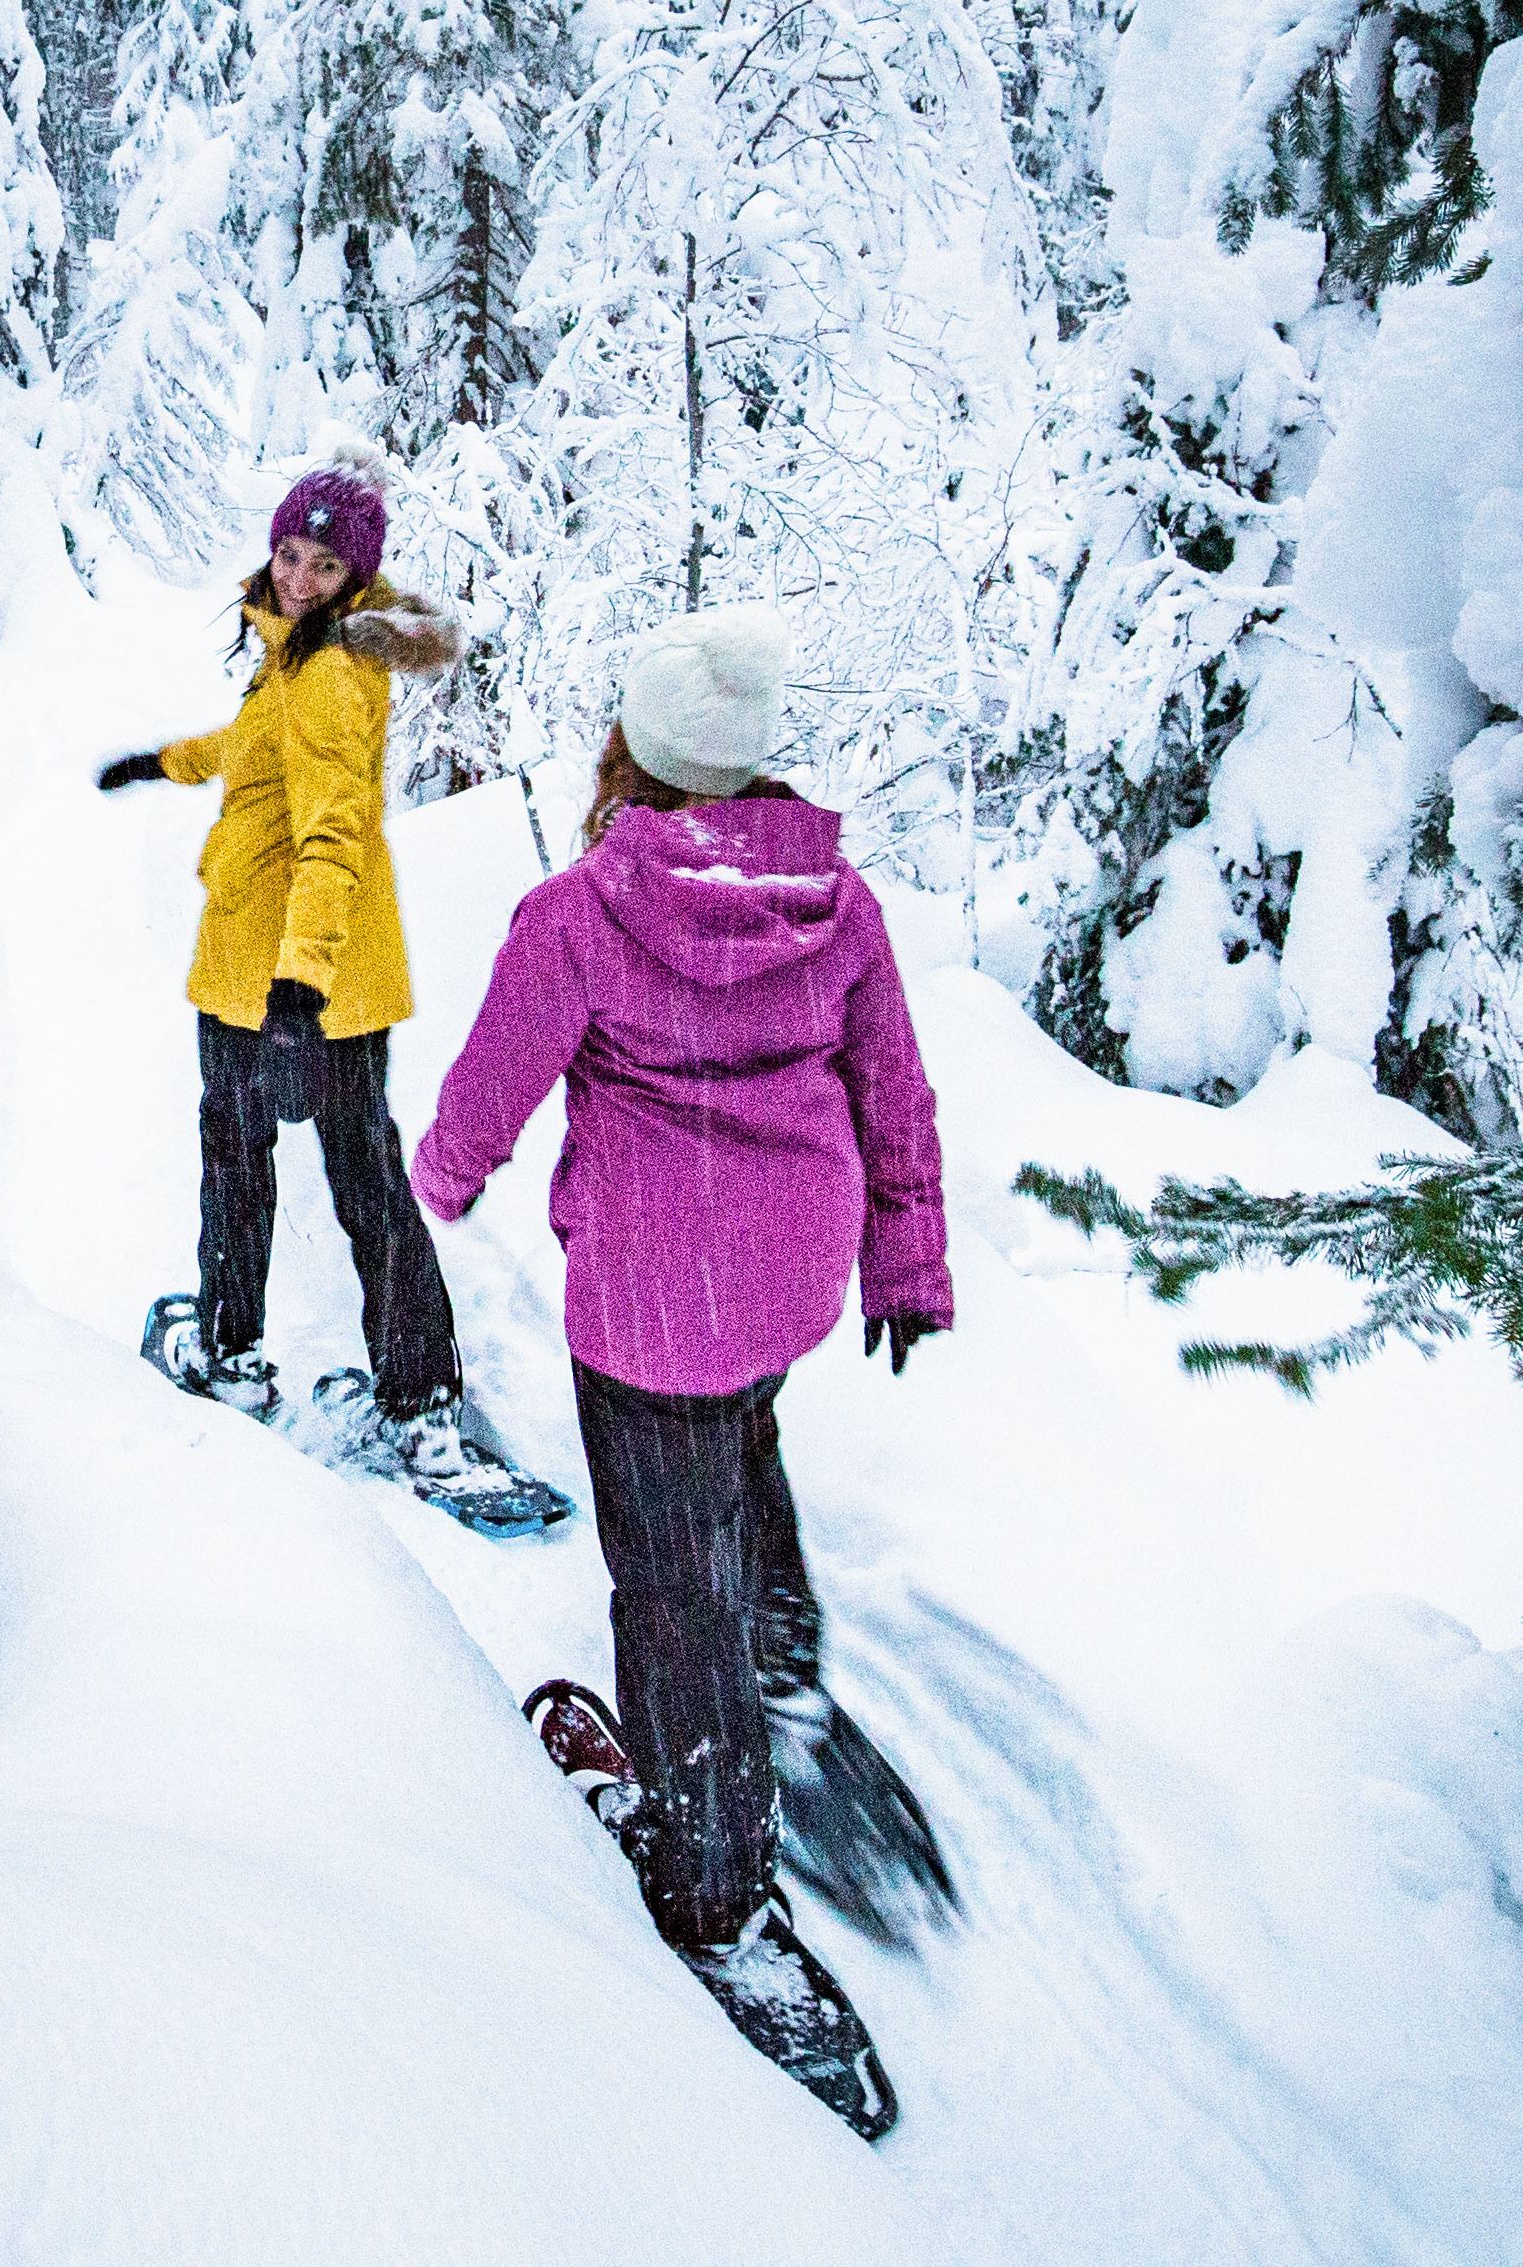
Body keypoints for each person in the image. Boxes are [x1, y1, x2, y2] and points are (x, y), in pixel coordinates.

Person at [410, 601, 950, 2137]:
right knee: (747, 1432)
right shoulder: (835, 903)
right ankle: (781, 1656)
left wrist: (437, 1182)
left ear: (633, 752)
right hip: (787, 1269)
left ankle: (714, 1877)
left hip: (654, 1293)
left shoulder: (581, 911)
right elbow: (895, 1092)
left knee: (665, 1577)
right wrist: (905, 1259)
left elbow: (489, 1086)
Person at [100, 454, 541, 1514]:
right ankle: (362, 1376)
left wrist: (297, 985)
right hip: (273, 967)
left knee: (310, 1176)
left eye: (323, 563)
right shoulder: (296, 657)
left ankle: (346, 1380)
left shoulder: (334, 673)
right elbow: (256, 752)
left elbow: (334, 832)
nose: (297, 575)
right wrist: (167, 762)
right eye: (290, 551)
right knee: (305, 1169)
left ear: (357, 575)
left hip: (293, 979)